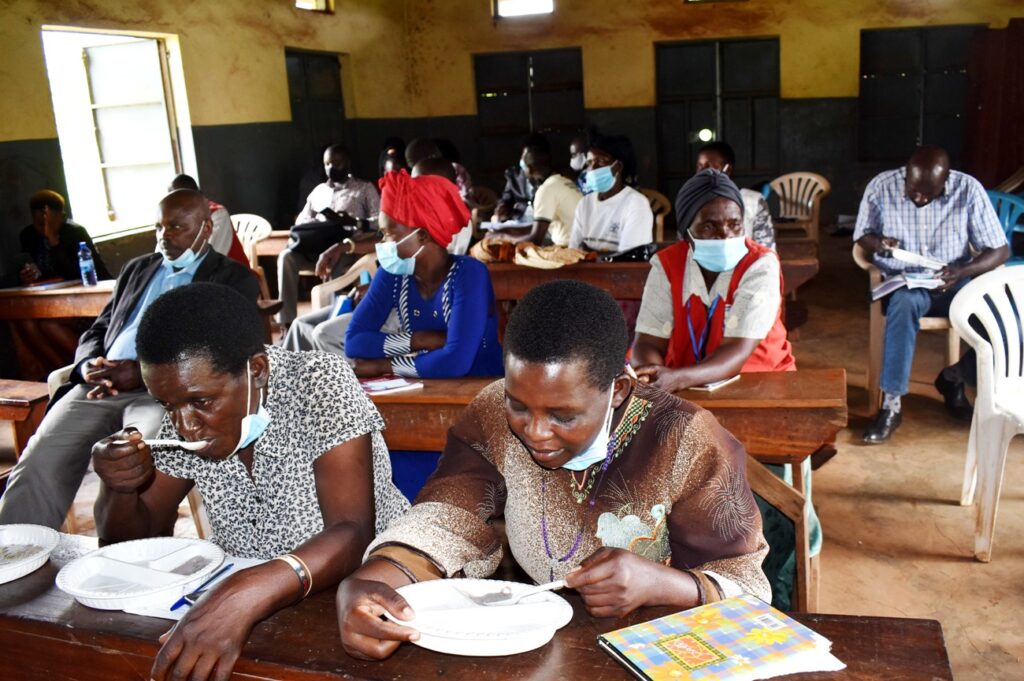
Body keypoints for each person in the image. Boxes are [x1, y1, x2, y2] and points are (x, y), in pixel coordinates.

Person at [336, 280, 770, 660]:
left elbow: (749, 590)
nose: (536, 432)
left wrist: (664, 585)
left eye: (564, 415)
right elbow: (448, 515)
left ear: (617, 390)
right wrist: (372, 581)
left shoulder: (684, 440)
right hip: (539, 648)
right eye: (519, 405)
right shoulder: (491, 411)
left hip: (658, 650)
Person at [92, 282, 409, 681]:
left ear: (256, 371)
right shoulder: (187, 413)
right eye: (167, 406)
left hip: (363, 600)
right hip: (257, 613)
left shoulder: (320, 385)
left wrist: (246, 591)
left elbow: (351, 529)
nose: (185, 426)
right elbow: (130, 543)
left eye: (202, 403)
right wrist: (118, 486)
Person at [0, 190, 259, 530]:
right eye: (159, 227)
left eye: (177, 227)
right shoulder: (138, 269)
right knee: (40, 459)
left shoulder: (231, 277)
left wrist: (139, 373)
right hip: (99, 388)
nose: (164, 236)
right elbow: (101, 327)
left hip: (167, 398)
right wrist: (88, 365)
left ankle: (131, 557)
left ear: (206, 228)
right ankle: (16, 555)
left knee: (130, 467)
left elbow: (218, 347)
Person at [855, 145, 1008, 443]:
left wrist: (962, 272)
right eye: (914, 192)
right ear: (906, 175)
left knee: (1002, 319)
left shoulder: (968, 190)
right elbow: (862, 233)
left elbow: (1000, 249)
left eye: (929, 194)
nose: (920, 198)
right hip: (907, 282)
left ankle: (955, 378)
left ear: (946, 182)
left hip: (955, 282)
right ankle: (891, 406)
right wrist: (880, 243)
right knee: (902, 306)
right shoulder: (882, 186)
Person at [632, 169, 794, 392]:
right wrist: (650, 376)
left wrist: (676, 379)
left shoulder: (760, 264)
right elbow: (649, 341)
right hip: (684, 384)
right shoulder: (667, 264)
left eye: (734, 224)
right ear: (687, 232)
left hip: (757, 382)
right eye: (709, 226)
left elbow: (737, 349)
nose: (726, 235)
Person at [345, 169, 503, 378]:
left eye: (388, 234)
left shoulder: (469, 274)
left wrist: (386, 366)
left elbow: (455, 362)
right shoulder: (392, 274)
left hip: (479, 388)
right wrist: (421, 340)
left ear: (421, 235)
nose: (382, 243)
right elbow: (354, 343)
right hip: (425, 385)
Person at [277, 144, 379, 326]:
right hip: (316, 246)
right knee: (286, 257)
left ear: (347, 163)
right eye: (327, 164)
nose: (331, 168)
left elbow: (379, 221)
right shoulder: (319, 191)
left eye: (337, 163)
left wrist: (353, 221)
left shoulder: (364, 189)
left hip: (348, 248)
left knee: (336, 260)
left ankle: (331, 321)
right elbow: (301, 221)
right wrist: (322, 222)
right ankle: (287, 323)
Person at [568, 132, 653, 254]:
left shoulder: (636, 204)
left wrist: (589, 252)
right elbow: (573, 252)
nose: (592, 168)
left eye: (601, 161)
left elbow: (628, 259)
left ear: (618, 166)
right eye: (589, 162)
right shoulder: (585, 204)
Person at [488, 143, 581, 246]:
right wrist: (506, 231)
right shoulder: (563, 182)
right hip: (578, 243)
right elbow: (537, 227)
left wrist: (502, 237)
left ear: (530, 168)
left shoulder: (546, 190)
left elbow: (535, 239)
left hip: (568, 248)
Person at [18, 189, 110, 284]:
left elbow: (77, 274)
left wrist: (53, 241)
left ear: (62, 216)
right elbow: (25, 268)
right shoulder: (28, 235)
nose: (45, 229)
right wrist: (25, 276)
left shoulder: (75, 232)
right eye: (40, 224)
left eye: (50, 223)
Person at [695, 142, 775, 249]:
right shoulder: (692, 201)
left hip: (748, 264)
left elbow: (766, 248)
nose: (702, 172)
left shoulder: (752, 201)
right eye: (699, 166)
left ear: (727, 169)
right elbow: (684, 247)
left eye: (709, 166)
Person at [168, 174, 250, 267]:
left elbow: (207, 260)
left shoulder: (218, 215)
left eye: (186, 199)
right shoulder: (172, 222)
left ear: (199, 196)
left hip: (234, 276)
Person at [493, 133, 549, 223]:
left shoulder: (551, 179)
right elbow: (506, 199)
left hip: (542, 225)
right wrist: (503, 207)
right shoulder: (514, 175)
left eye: (529, 156)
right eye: (524, 154)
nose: (524, 159)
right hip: (518, 221)